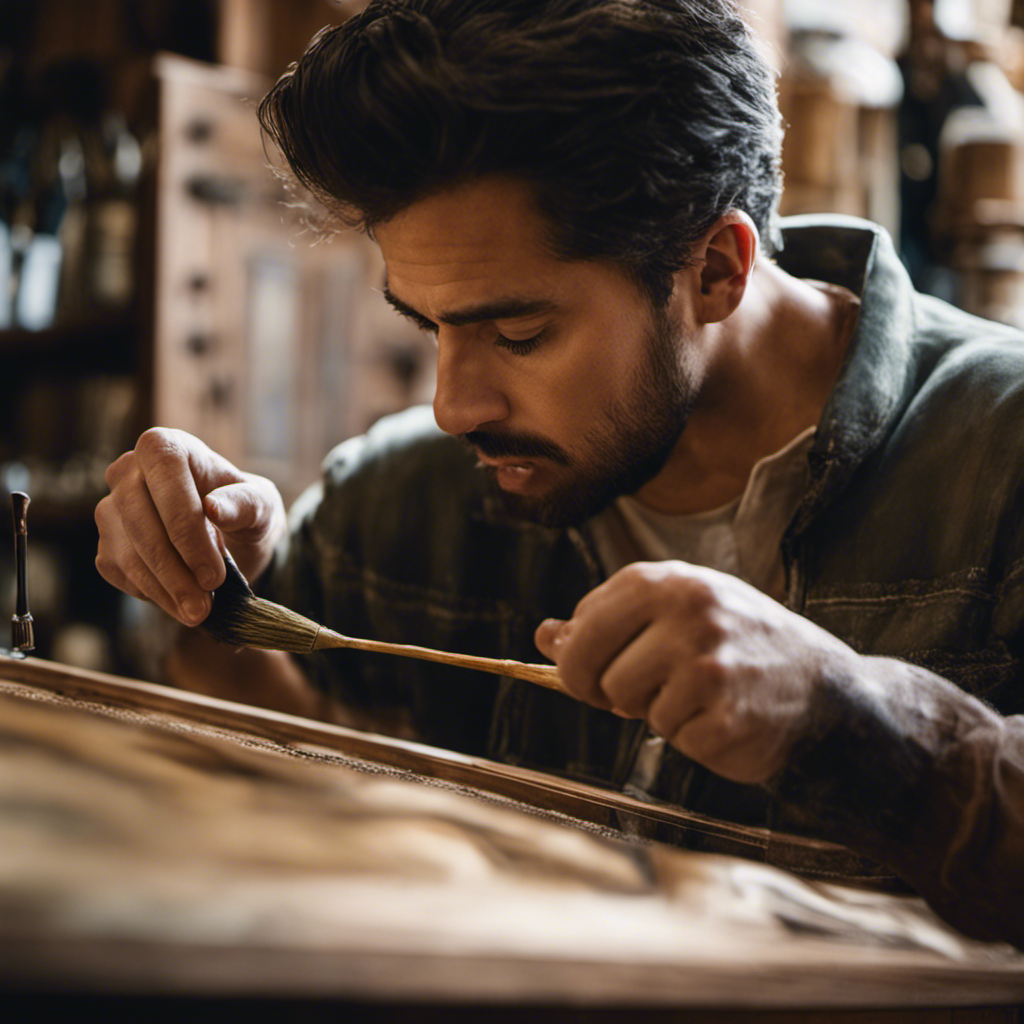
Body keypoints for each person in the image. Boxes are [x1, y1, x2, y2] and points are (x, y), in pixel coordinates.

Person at [94, 0, 1024, 946]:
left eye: (520, 335)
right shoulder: (400, 499)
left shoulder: (1003, 455)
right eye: (427, 326)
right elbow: (264, 766)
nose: (455, 407)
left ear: (714, 270)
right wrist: (212, 590)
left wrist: (847, 718)